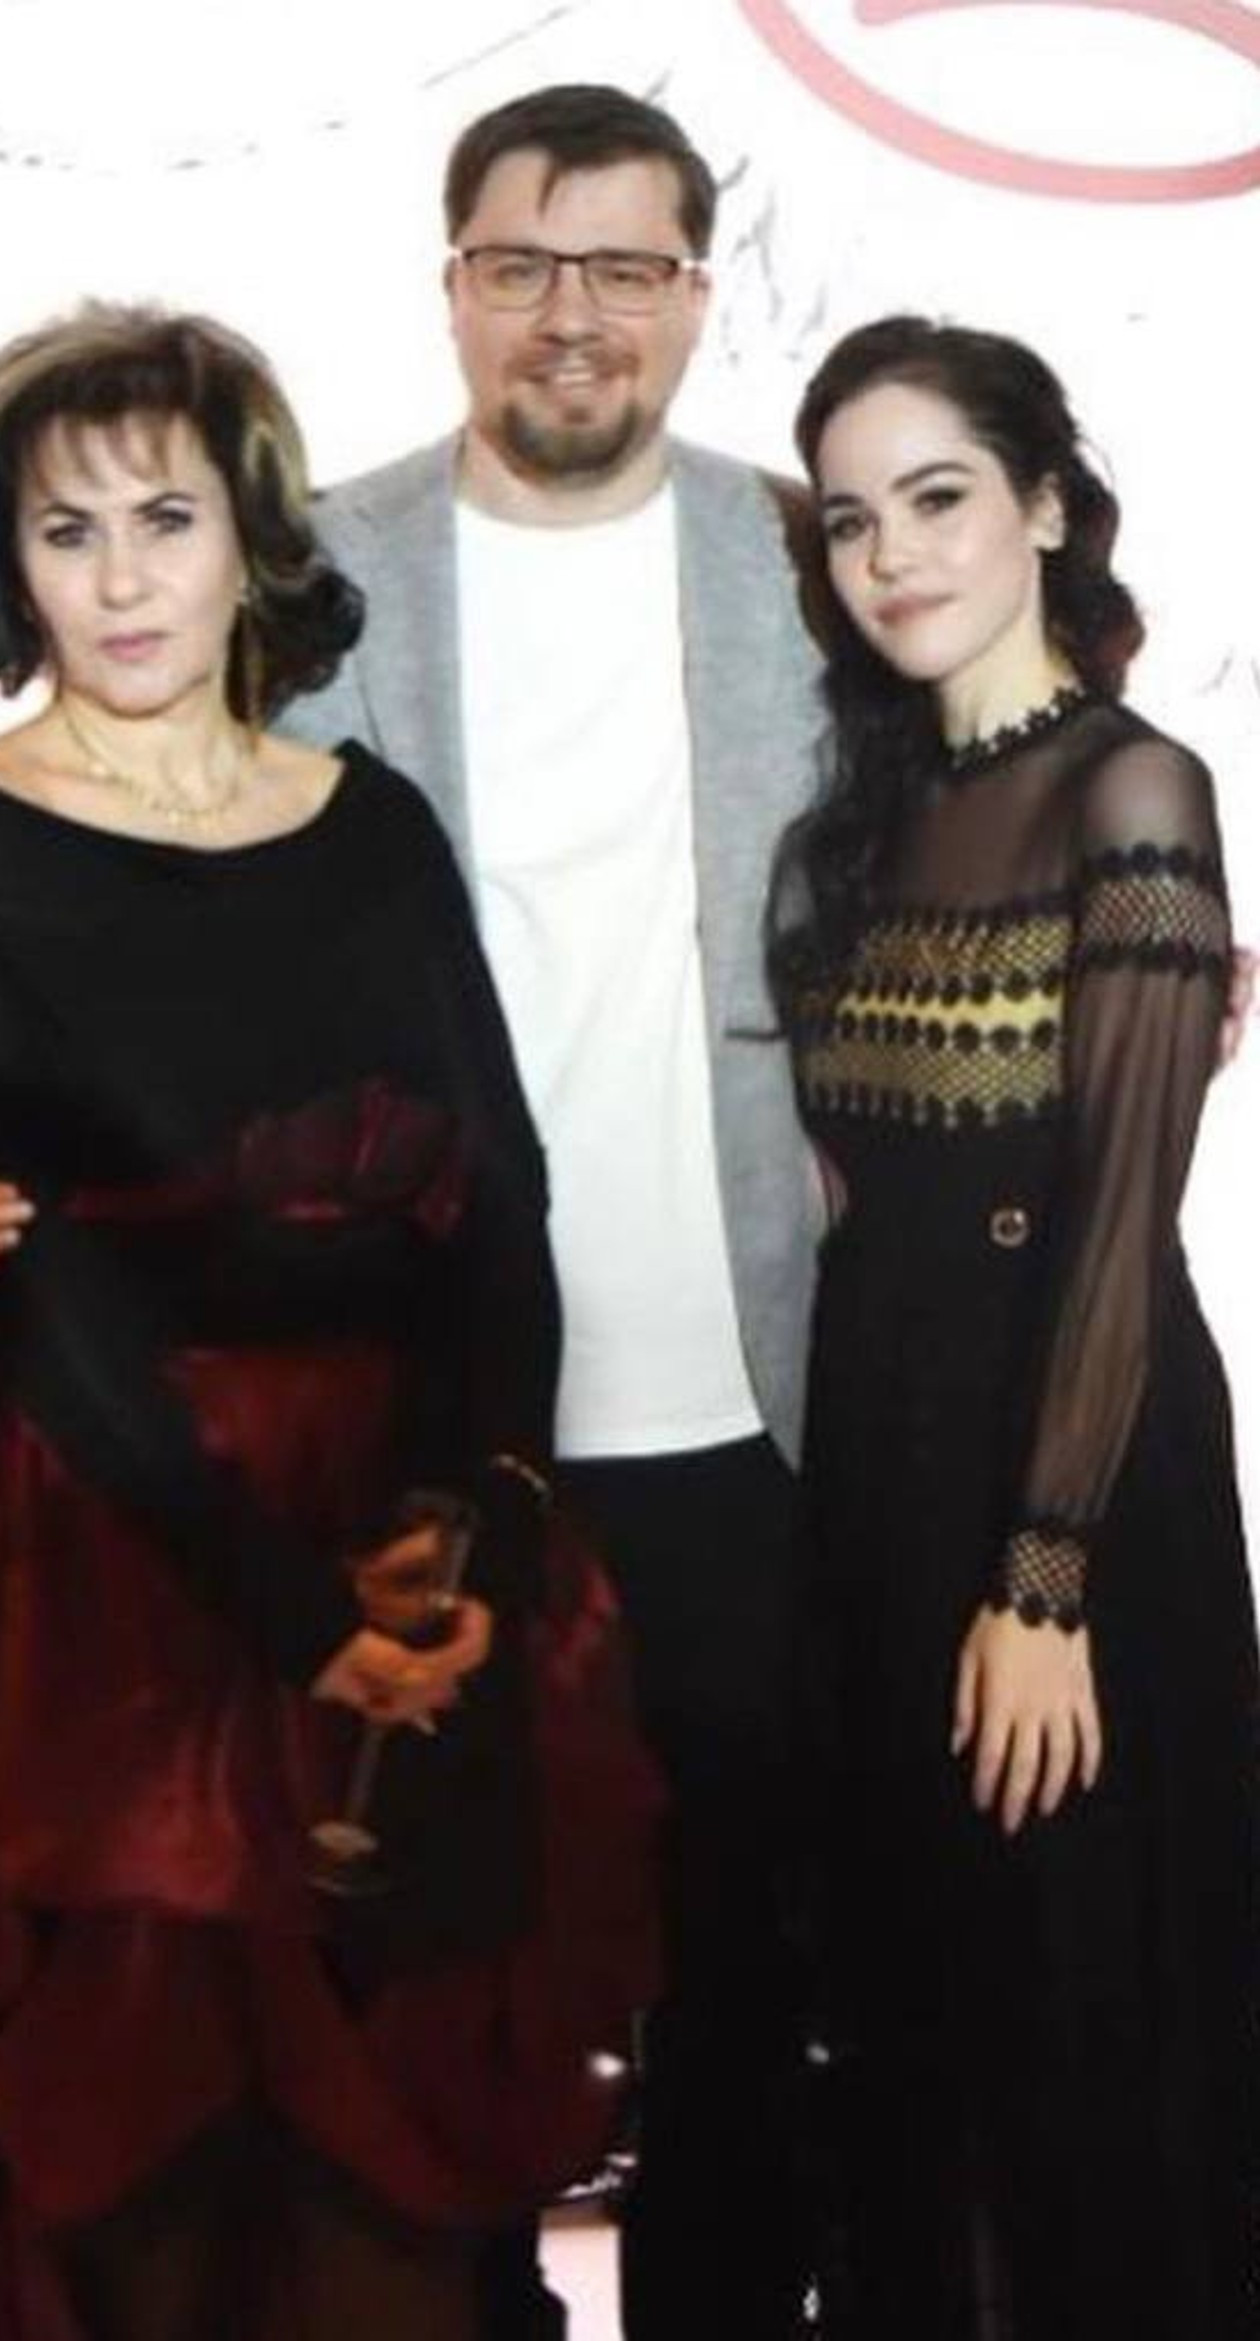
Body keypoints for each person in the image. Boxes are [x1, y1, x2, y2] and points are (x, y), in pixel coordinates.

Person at [0, 302, 663, 2341]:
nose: (121, 580)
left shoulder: (368, 823)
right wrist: (293, 1619)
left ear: (249, 540)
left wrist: (472, 1523)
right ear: (8, 567)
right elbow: (27, 1288)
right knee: (127, 2212)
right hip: (95, 1581)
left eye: (166, 518)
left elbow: (501, 1205)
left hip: (393, 1550)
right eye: (67, 530)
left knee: (392, 2234)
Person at [284, 84, 829, 2340]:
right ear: (451, 289)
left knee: (747, 1964)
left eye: (622, 266)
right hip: (427, 1403)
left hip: (745, 1393)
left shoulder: (807, 557)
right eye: (519, 263)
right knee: (430, 1973)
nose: (569, 314)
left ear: (695, 295)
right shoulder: (306, 567)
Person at [771, 314, 1259, 2337]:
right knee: (917, 2027)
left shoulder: (1134, 787)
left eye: (938, 496)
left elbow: (1117, 1222)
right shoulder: (864, 815)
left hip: (1074, 1479)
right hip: (877, 1475)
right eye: (848, 519)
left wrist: (1042, 1576)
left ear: (1045, 507)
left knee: (1080, 2034)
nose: (890, 554)